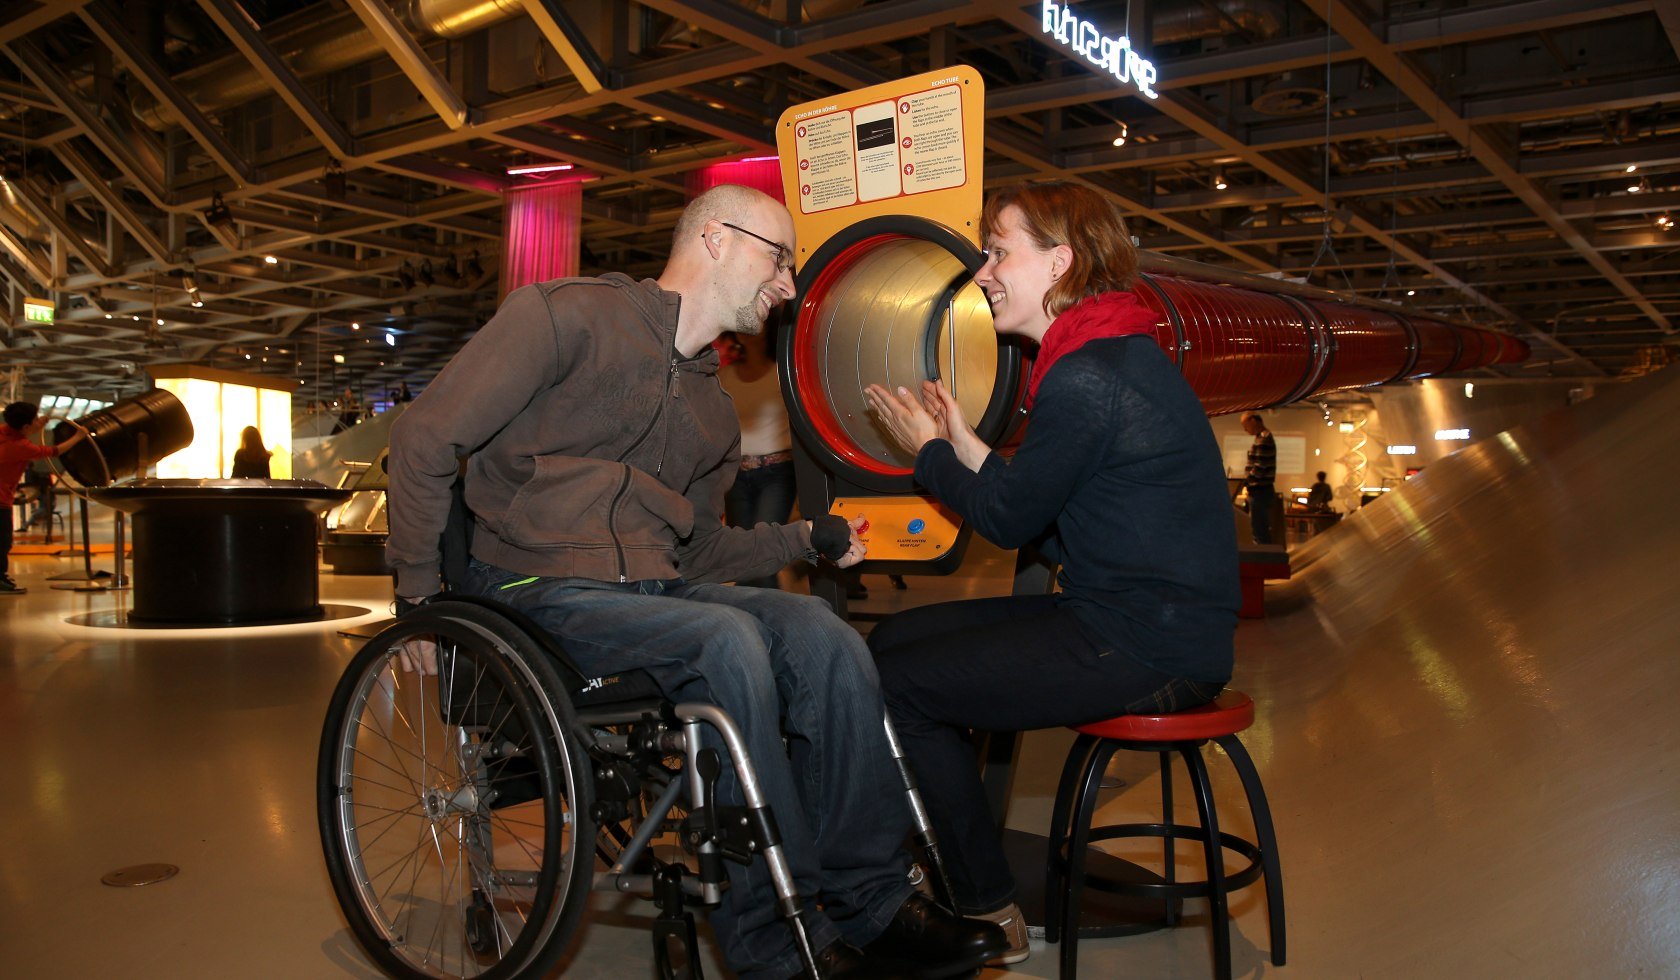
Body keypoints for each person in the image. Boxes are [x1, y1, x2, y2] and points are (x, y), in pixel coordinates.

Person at [386, 184, 1005, 980]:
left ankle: (873, 903)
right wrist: (419, 599)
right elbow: (424, 440)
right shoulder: (561, 317)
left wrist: (803, 540)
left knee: (825, 635)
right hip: (533, 590)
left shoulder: (712, 412)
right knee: (725, 640)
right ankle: (775, 943)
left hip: (650, 594)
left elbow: (701, 554)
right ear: (715, 238)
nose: (787, 286)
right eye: (779, 259)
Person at [862, 180, 1240, 966]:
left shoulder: (1085, 377)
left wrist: (929, 452)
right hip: (1138, 626)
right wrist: (962, 441)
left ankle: (983, 905)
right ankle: (915, 843)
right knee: (888, 642)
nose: (984, 272)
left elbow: (1006, 520)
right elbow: (1030, 498)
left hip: (1145, 648)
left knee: (900, 687)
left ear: (1060, 262)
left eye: (1000, 252)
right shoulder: (1106, 355)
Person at [719, 329, 797, 589]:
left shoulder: (781, 372)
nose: (750, 330)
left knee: (762, 557)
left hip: (777, 474)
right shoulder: (725, 376)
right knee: (743, 560)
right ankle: (752, 622)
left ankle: (770, 623)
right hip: (736, 476)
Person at [1, 402, 87, 594]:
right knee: (3, 542)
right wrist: (79, 437)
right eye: (34, 420)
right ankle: (0, 580)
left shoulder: (4, 433)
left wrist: (37, 425)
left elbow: (20, 433)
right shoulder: (18, 446)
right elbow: (52, 452)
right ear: (25, 426)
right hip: (1, 501)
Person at [1241, 411, 1278, 544]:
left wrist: (1247, 482)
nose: (1245, 429)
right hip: (1261, 490)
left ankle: (1266, 561)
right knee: (1259, 528)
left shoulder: (1264, 438)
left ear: (1253, 421)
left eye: (1245, 425)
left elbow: (1260, 467)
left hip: (1260, 490)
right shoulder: (1261, 437)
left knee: (1259, 530)